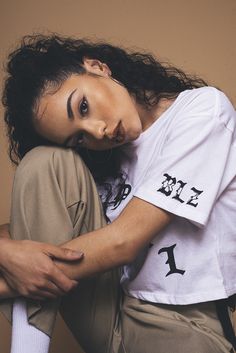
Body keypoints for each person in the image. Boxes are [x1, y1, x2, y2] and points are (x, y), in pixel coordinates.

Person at [0, 34, 235, 353]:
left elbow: (124, 241)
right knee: (44, 160)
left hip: (186, 325)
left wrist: (15, 279)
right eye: (79, 139)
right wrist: (7, 254)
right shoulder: (103, 160)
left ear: (97, 67)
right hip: (110, 311)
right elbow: (26, 233)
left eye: (83, 107)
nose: (97, 132)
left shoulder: (202, 111)